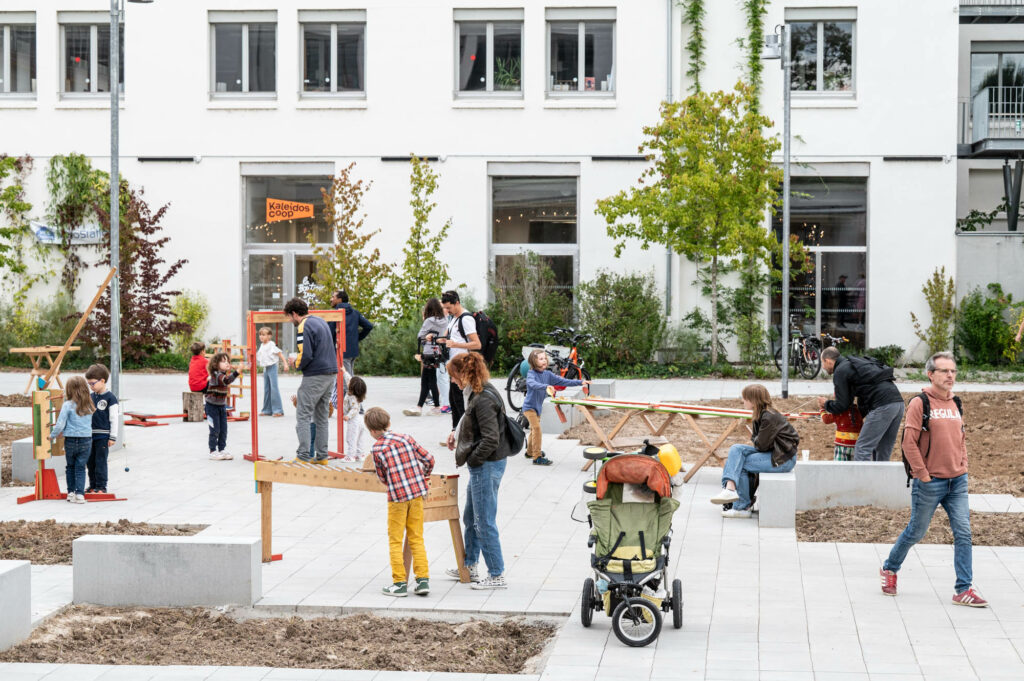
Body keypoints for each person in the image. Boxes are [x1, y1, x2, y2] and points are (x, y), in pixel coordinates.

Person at [880, 352, 987, 607]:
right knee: (916, 532)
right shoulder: (920, 403)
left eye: (953, 371)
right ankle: (890, 568)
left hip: (957, 481)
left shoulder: (956, 403)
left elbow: (960, 438)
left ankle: (963, 589)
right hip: (930, 482)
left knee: (963, 533)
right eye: (944, 371)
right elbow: (908, 443)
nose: (950, 375)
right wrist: (923, 475)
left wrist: (964, 465)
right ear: (931, 374)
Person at [445, 352, 510, 589]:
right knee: (471, 517)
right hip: (485, 464)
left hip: (486, 464)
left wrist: (473, 459)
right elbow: (470, 419)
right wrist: (457, 432)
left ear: (464, 374)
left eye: (453, 376)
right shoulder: (479, 391)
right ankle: (470, 565)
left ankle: (496, 574)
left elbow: (491, 439)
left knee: (483, 520)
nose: (452, 380)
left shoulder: (482, 398)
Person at [366, 407, 434, 597]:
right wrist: (423, 477)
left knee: (395, 540)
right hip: (417, 495)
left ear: (372, 431)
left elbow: (382, 477)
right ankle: (422, 581)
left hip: (397, 499)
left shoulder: (377, 448)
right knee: (416, 537)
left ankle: (399, 583)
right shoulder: (406, 438)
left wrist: (395, 483)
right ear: (388, 424)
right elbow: (429, 459)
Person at [710, 384, 799, 518]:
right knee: (736, 449)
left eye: (745, 398)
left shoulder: (768, 417)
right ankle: (730, 489)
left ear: (753, 401)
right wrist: (757, 438)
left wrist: (756, 438)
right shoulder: (763, 414)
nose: (743, 401)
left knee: (741, 463)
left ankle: (742, 506)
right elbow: (760, 442)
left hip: (783, 459)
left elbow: (760, 446)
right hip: (775, 453)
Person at [817, 347, 905, 462]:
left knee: (863, 448)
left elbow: (842, 405)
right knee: (883, 449)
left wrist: (826, 404)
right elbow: (858, 398)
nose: (823, 367)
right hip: (898, 403)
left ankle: (861, 480)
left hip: (882, 406)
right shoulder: (854, 363)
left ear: (828, 361)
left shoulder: (840, 371)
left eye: (822, 363)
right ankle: (880, 479)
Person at [285, 297, 338, 464]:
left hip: (315, 375)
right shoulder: (319, 321)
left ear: (294, 313)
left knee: (303, 414)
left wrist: (296, 363)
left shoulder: (303, 325)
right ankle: (322, 457)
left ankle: (303, 456)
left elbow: (306, 353)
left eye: (289, 317)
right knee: (322, 417)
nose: (289, 320)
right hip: (331, 373)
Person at [522, 349, 589, 466]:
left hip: (538, 408)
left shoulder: (548, 374)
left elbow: (563, 381)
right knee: (537, 429)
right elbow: (533, 384)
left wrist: (580, 382)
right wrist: (546, 386)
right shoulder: (531, 374)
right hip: (529, 408)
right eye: (541, 359)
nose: (544, 361)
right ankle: (536, 457)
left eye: (545, 358)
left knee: (534, 429)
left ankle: (529, 452)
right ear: (533, 361)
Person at [437, 290, 480, 439]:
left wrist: (455, 344)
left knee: (461, 402)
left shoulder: (466, 319)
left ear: (457, 303)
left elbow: (476, 344)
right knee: (454, 402)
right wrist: (440, 339)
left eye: (449, 308)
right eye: (445, 308)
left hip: (463, 367)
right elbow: (450, 337)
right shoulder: (453, 318)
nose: (447, 311)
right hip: (453, 366)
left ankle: (463, 434)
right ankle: (455, 432)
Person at [50, 376, 95, 504]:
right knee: (80, 467)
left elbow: (60, 424)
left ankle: (70, 493)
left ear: (69, 390)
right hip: (86, 440)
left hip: (70, 440)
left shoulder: (67, 405)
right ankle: (80, 494)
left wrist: (52, 435)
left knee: (70, 466)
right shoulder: (90, 404)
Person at [405, 298, 448, 416]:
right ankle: (434, 407)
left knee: (426, 381)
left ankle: (421, 407)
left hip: (428, 352)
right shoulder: (444, 320)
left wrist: (425, 323)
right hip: (437, 352)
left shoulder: (429, 320)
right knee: (431, 379)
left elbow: (420, 336)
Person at [84, 364, 118, 494]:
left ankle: (101, 486)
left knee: (100, 461)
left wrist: (113, 437)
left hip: (103, 436)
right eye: (89, 384)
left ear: (102, 381)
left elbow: (113, 418)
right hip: (89, 435)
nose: (91, 387)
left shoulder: (110, 398)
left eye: (92, 384)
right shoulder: (91, 397)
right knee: (90, 462)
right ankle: (92, 485)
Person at [329, 290, 374, 376]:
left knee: (346, 380)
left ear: (340, 300)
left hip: (341, 351)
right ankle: (351, 389)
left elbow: (329, 334)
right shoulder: (355, 313)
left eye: (333, 297)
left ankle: (352, 390)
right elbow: (369, 326)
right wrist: (357, 338)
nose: (331, 299)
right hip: (353, 350)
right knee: (348, 376)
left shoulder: (335, 314)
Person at [205, 352, 238, 461]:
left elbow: (226, 378)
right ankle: (213, 451)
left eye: (227, 361)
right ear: (216, 364)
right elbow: (226, 381)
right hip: (211, 407)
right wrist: (237, 372)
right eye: (223, 361)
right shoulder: (216, 374)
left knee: (223, 429)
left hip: (221, 406)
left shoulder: (222, 374)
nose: (226, 363)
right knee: (215, 429)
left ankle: (222, 449)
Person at [257, 326, 287, 417]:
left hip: (273, 367)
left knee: (274, 388)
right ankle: (267, 410)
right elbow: (260, 356)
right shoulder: (262, 345)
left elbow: (280, 354)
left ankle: (278, 410)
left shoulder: (271, 344)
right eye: (260, 335)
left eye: (264, 335)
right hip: (266, 368)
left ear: (269, 336)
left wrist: (285, 364)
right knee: (267, 389)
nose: (261, 337)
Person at [344, 375, 369, 461]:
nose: (347, 382)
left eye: (349, 383)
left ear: (352, 387)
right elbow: (349, 378)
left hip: (354, 420)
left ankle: (350, 456)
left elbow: (355, 409)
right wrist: (344, 372)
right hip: (359, 419)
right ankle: (360, 454)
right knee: (359, 439)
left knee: (351, 438)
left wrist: (348, 416)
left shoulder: (352, 397)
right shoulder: (355, 394)